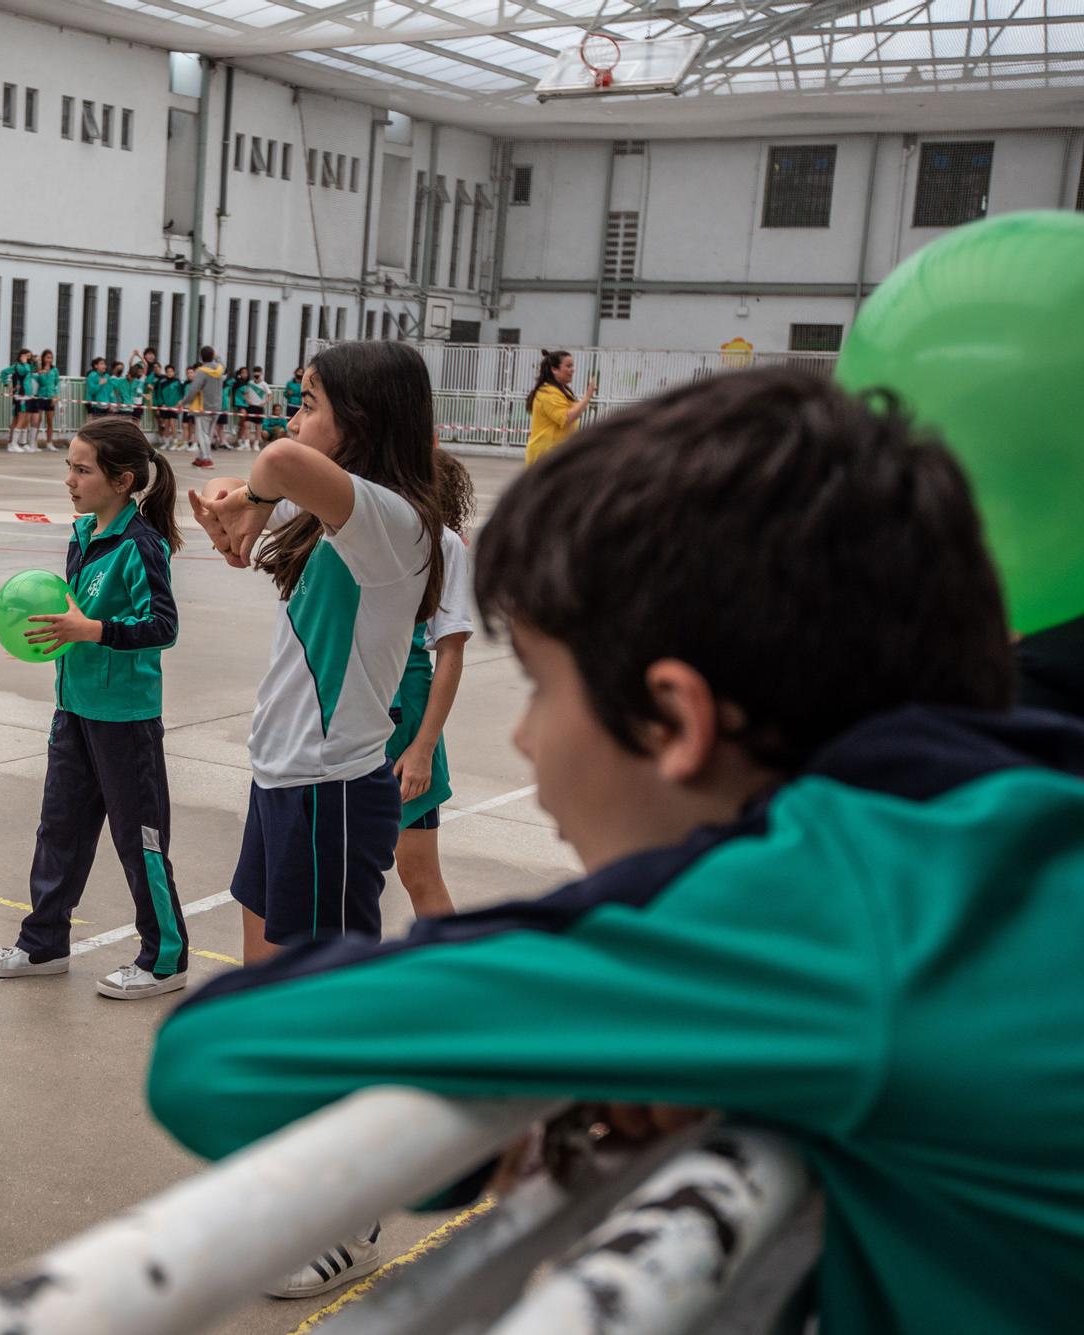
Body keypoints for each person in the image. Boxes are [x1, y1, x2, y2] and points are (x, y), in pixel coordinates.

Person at [151, 370, 1084, 1333]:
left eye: (546, 690)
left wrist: (611, 1053)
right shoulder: (1013, 811)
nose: (522, 741)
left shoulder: (824, 919)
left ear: (676, 719)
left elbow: (219, 1059)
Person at [186, 340, 442, 968]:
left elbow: (276, 461)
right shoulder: (335, 514)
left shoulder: (392, 521)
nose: (293, 422)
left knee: (315, 1002)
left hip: (334, 792)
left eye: (307, 403)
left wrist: (253, 498)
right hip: (279, 772)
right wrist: (232, 503)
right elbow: (233, 480)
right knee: (264, 981)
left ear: (361, 420)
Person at [0, 417, 190, 997]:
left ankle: (165, 957)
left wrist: (90, 629)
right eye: (68, 465)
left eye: (81, 468)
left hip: (125, 719)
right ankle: (43, 943)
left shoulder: (140, 545)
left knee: (137, 838)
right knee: (60, 829)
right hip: (74, 708)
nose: (69, 478)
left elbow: (162, 626)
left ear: (121, 481)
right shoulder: (82, 533)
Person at [387, 448, 476, 918]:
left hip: (407, 716)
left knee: (418, 872)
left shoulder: (442, 544)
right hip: (353, 715)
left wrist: (423, 747)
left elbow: (451, 652)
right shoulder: (365, 531)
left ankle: (455, 984)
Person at [524, 348, 593, 465]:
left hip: (559, 454)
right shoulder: (548, 393)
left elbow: (574, 412)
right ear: (554, 369)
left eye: (573, 366)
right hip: (545, 455)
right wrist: (587, 397)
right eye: (568, 366)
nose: (573, 370)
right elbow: (566, 419)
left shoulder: (563, 390)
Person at [184, 346, 224, 468]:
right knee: (208, 434)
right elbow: (220, 361)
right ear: (212, 355)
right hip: (216, 407)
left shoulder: (201, 371)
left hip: (202, 407)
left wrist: (184, 402)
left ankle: (207, 459)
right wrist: (215, 356)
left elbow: (194, 389)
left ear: (201, 357)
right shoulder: (220, 369)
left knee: (202, 434)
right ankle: (200, 457)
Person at [2, 347, 38, 453]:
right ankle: (13, 444)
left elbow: (34, 370)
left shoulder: (27, 365)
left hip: (28, 395)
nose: (28, 358)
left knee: (25, 419)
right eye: (27, 355)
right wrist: (5, 383)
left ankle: (22, 443)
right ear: (21, 356)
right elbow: (4, 372)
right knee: (19, 420)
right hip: (21, 396)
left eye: (29, 356)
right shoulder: (19, 366)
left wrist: (35, 362)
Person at [35, 349, 62, 452]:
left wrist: (56, 395)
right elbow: (40, 381)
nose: (49, 360)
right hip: (41, 396)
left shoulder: (55, 370)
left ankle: (49, 443)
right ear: (43, 358)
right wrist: (43, 372)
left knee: (50, 421)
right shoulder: (40, 370)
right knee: (38, 420)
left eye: (51, 358)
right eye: (47, 357)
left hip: (51, 397)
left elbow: (57, 383)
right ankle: (34, 442)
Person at [154, 364, 185, 451]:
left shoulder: (178, 382)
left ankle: (175, 442)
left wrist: (180, 403)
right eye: (168, 371)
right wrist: (161, 403)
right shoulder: (162, 382)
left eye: (171, 371)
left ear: (174, 372)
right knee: (166, 424)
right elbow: (158, 394)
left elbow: (182, 394)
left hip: (174, 406)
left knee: (172, 423)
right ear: (166, 372)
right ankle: (166, 443)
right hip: (165, 406)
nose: (169, 373)